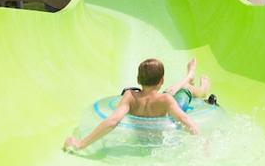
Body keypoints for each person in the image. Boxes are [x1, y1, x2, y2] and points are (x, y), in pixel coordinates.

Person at [63, 58, 210, 151]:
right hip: (166, 105)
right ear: (162, 80)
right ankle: (192, 81)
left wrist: (81, 143)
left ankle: (191, 77)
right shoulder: (166, 100)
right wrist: (204, 144)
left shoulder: (129, 97)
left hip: (162, 100)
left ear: (138, 80)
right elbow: (186, 121)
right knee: (185, 90)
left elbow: (112, 121)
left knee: (172, 91)